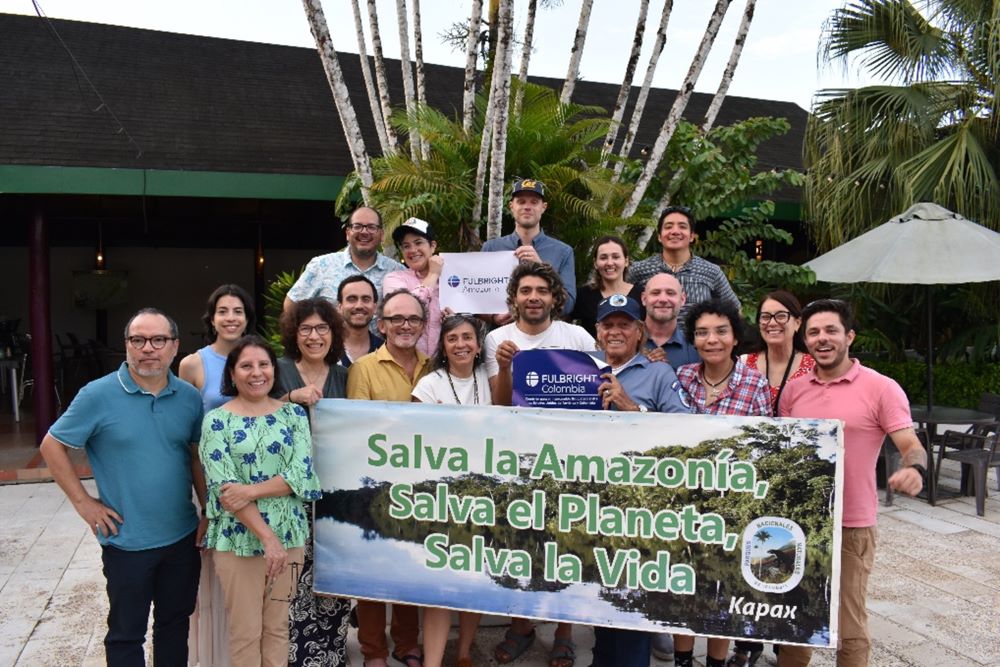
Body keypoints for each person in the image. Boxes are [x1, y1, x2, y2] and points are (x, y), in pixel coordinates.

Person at [39, 308, 204, 666]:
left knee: (174, 626)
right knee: (127, 633)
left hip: (181, 536)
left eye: (159, 340)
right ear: (126, 345)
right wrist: (84, 504)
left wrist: (208, 511)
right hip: (127, 542)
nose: (149, 348)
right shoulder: (97, 395)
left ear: (175, 346)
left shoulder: (190, 398)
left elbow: (194, 458)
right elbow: (51, 445)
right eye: (138, 340)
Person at [776, 299, 925, 667]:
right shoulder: (795, 390)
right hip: (799, 526)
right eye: (813, 332)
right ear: (804, 339)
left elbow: (911, 444)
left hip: (851, 524)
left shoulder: (881, 388)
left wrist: (916, 469)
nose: (822, 339)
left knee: (849, 624)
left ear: (850, 336)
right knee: (795, 621)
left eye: (831, 330)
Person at [483, 261, 595, 667]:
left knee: (568, 543)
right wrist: (508, 367)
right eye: (526, 290)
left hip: (571, 459)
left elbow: (597, 393)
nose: (534, 297)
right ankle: (521, 625)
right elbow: (498, 404)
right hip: (520, 459)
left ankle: (564, 632)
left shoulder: (577, 336)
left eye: (542, 291)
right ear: (513, 298)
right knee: (523, 543)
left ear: (554, 297)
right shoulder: (497, 338)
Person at [199, 336, 322, 666]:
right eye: (246, 366)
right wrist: (268, 539)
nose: (257, 373)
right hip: (239, 539)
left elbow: (302, 475)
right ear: (233, 373)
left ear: (274, 369)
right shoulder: (217, 421)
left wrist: (250, 490)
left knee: (279, 627)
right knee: (245, 632)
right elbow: (225, 490)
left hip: (291, 538)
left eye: (264, 364)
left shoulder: (294, 416)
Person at [588, 294, 690, 667]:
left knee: (632, 600)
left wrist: (632, 407)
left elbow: (688, 430)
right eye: (608, 325)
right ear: (597, 333)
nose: (615, 331)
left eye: (624, 324)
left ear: (639, 332)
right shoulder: (582, 368)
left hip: (640, 507)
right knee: (598, 594)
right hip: (591, 501)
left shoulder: (659, 372)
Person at [673, 300, 770, 667]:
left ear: (734, 338)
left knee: (721, 589)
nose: (711, 339)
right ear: (693, 340)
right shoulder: (681, 376)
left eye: (720, 331)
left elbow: (760, 448)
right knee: (682, 587)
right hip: (681, 504)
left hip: (731, 506)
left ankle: (716, 660)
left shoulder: (754, 384)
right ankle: (683, 658)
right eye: (702, 332)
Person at [347, 289, 434, 667]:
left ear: (423, 325)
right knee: (372, 571)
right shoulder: (363, 368)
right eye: (396, 319)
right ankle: (373, 650)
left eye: (413, 319)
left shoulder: (435, 366)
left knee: (410, 567)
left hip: (424, 488)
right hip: (375, 486)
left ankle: (407, 644)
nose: (405, 325)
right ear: (381, 325)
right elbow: (358, 431)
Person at [178, 284, 255, 667]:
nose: (230, 318)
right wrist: (207, 501)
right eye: (223, 311)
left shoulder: (258, 360)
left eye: (238, 311)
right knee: (213, 571)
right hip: (212, 481)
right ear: (212, 318)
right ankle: (211, 657)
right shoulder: (193, 364)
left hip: (257, 484)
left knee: (249, 574)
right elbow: (192, 439)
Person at [273, 298, 351, 666]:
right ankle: (297, 657)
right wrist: (291, 397)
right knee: (293, 579)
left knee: (332, 576)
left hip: (335, 494)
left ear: (333, 333)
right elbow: (253, 409)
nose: (314, 336)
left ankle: (332, 654)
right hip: (287, 495)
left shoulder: (344, 376)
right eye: (306, 329)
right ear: (294, 333)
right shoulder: (278, 370)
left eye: (322, 328)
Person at [411, 314, 492, 667]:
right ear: (442, 346)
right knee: (438, 586)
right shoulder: (429, 385)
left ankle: (462, 655)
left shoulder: (491, 380)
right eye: (452, 338)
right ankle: (432, 661)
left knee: (473, 580)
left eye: (467, 338)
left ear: (478, 345)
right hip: (439, 499)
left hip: (485, 498)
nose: (460, 344)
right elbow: (412, 440)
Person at [482, 178, 577, 323]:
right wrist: (494, 317)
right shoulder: (491, 248)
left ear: (543, 207)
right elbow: (476, 299)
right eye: (521, 201)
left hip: (546, 337)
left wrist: (542, 269)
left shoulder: (563, 251)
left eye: (534, 202)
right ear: (511, 206)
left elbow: (568, 305)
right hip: (500, 336)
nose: (527, 207)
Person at [627, 205, 740, 326]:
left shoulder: (711, 271)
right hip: (650, 343)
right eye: (668, 226)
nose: (675, 231)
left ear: (692, 236)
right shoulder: (639, 270)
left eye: (682, 226)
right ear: (659, 236)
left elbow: (735, 310)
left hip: (696, 343)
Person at [284, 206, 404, 312]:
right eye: (357, 226)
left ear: (381, 234)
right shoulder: (321, 266)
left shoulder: (397, 271)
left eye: (371, 227)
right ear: (347, 233)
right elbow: (291, 305)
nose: (364, 232)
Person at [384, 217, 445, 357]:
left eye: (418, 243)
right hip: (405, 363)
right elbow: (407, 310)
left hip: (444, 367)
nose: (412, 250)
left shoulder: (450, 279)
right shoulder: (394, 278)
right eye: (406, 246)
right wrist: (434, 273)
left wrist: (453, 318)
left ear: (433, 246)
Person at [571, 235, 643, 337]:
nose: (609, 263)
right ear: (595, 263)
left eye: (615, 257)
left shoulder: (642, 295)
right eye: (603, 257)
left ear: (626, 261)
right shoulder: (582, 295)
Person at [641, 272, 700, 371]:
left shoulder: (696, 348)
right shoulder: (626, 343)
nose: (663, 299)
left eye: (670, 293)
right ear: (644, 299)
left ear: (682, 299)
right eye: (655, 293)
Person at [337, 274, 383, 367]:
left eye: (366, 299)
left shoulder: (384, 351)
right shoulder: (325, 348)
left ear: (374, 307)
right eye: (351, 299)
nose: (359, 306)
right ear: (340, 307)